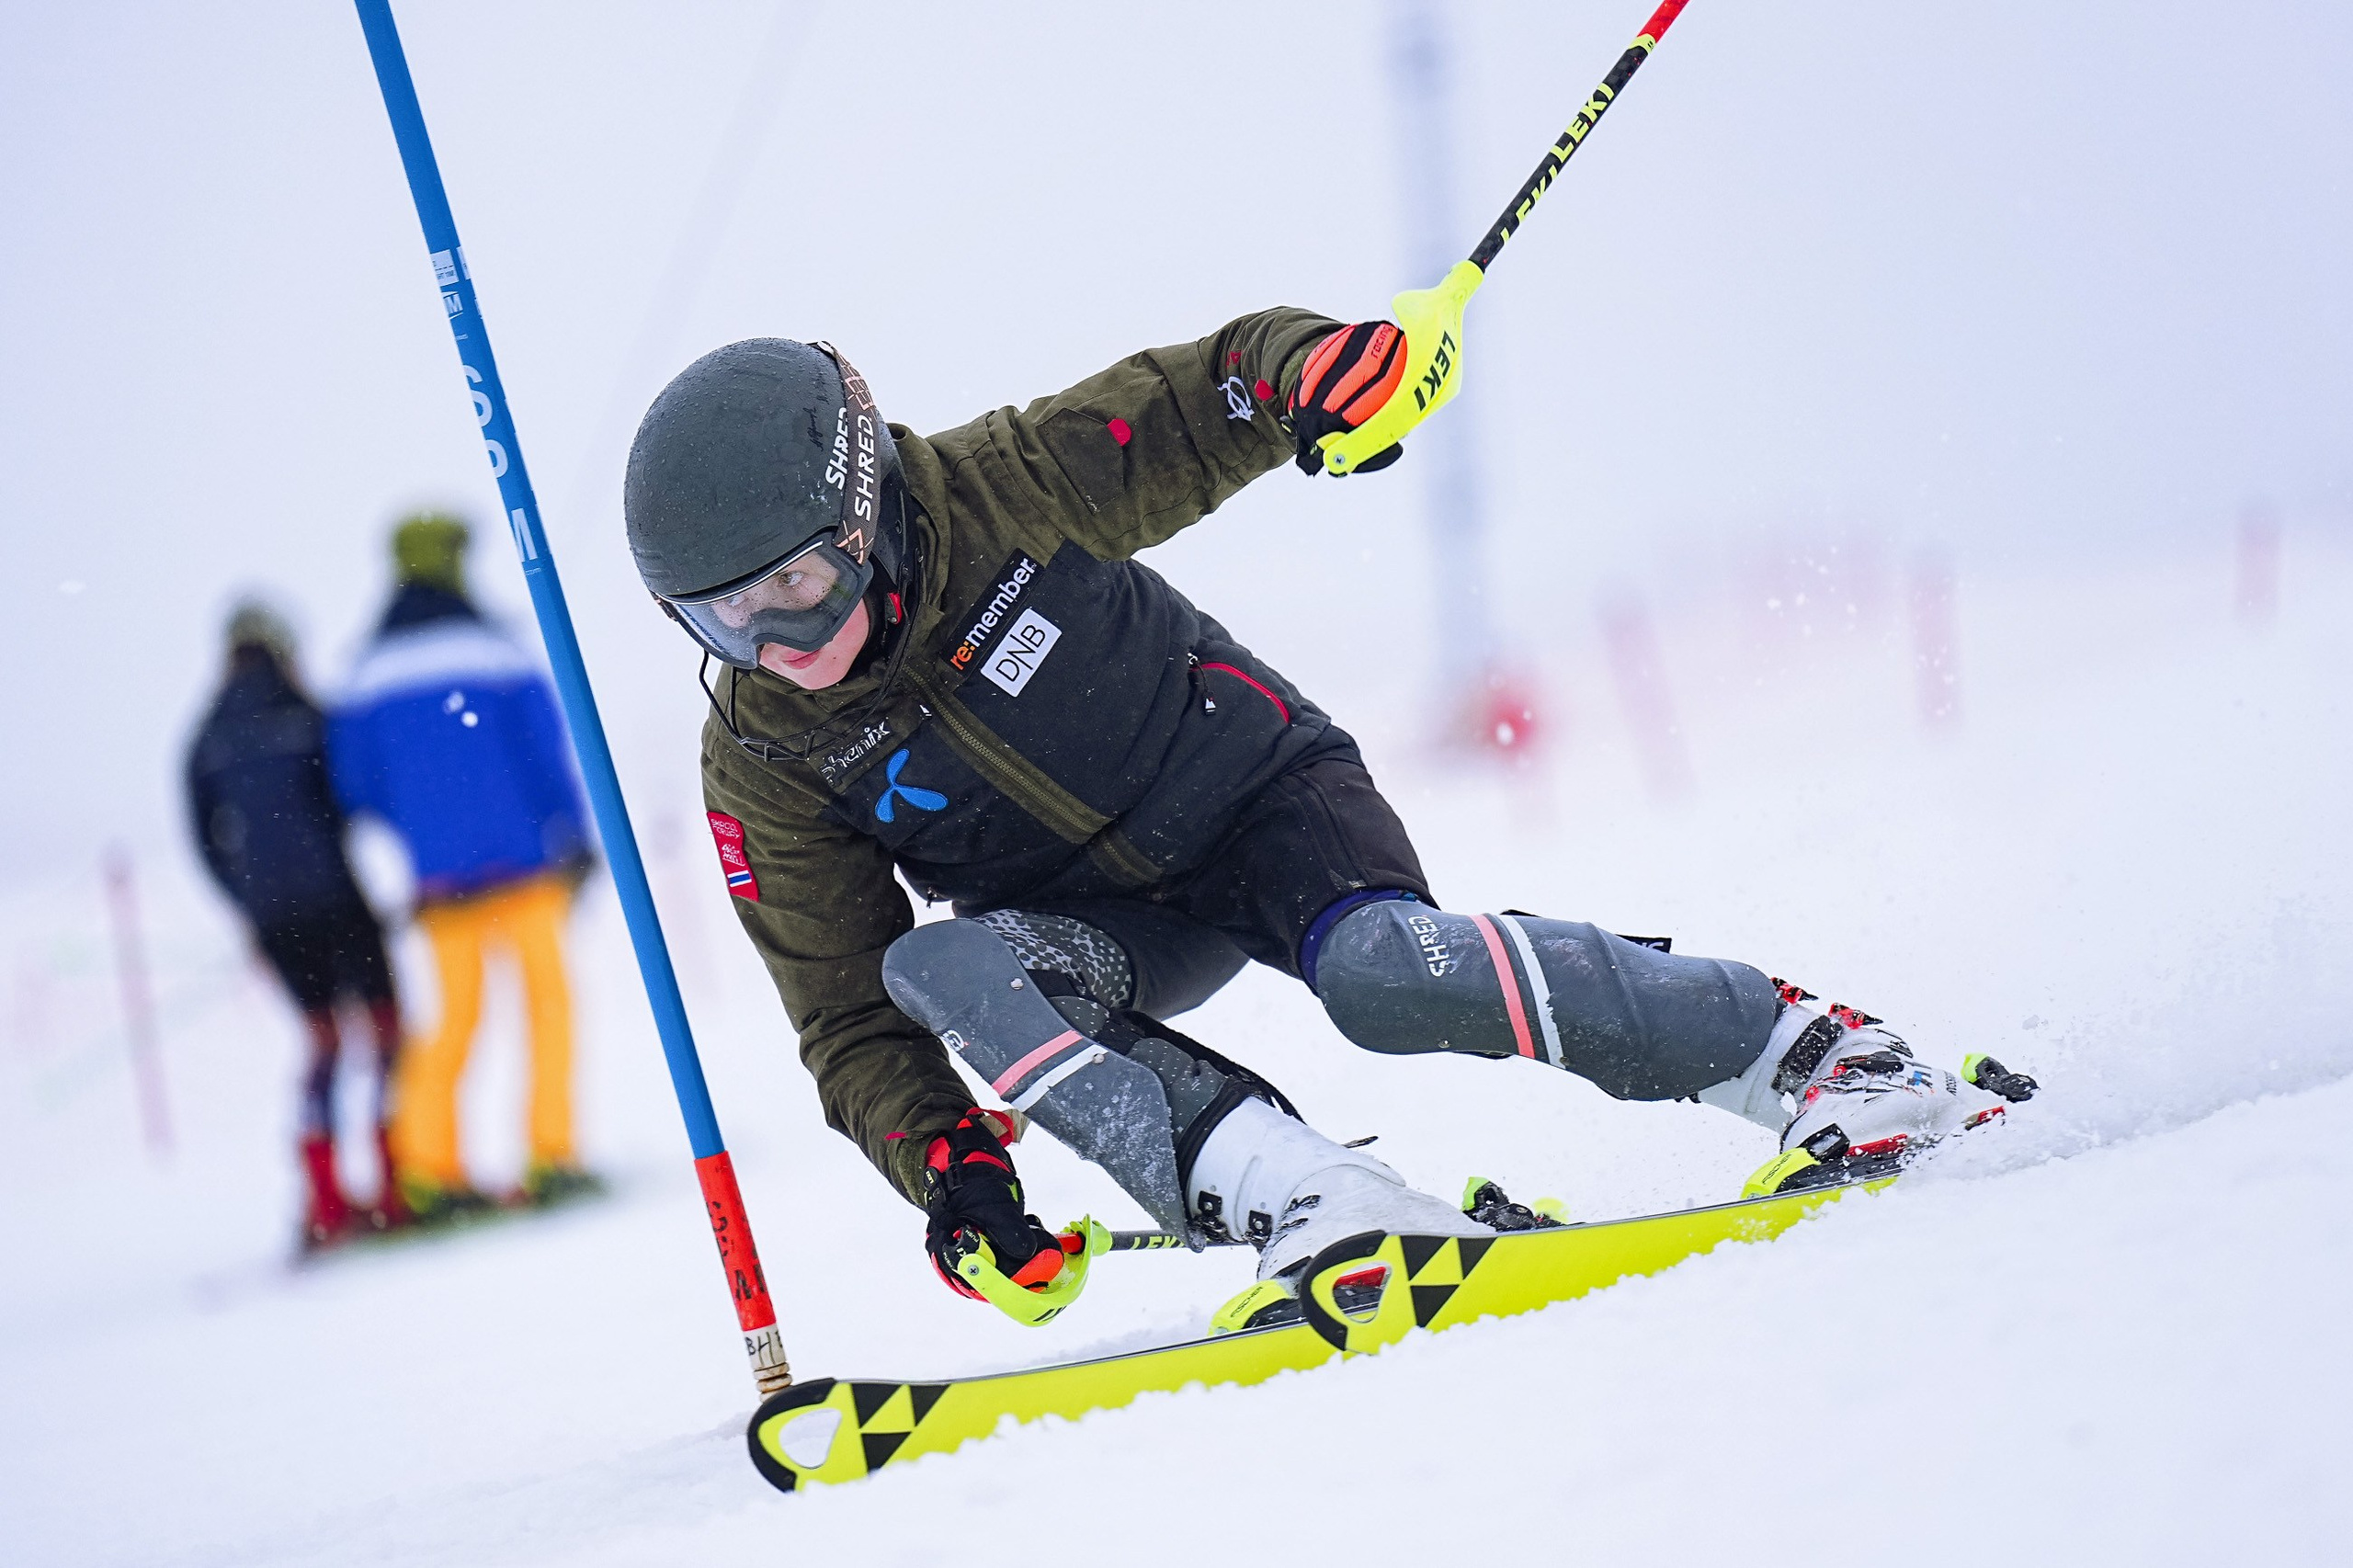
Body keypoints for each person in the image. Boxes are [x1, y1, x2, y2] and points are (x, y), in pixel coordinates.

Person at [621, 317, 2039, 1327]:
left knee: (1381, 976)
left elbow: (1204, 394)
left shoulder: (997, 488)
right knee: (933, 971)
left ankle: (1819, 1053)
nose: (779, 641)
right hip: (1107, 929)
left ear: (865, 511)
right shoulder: (768, 757)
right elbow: (846, 1023)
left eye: (800, 582)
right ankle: (1310, 1199)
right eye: (721, 618)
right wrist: (954, 1170)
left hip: (1259, 794)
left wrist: (1318, 378)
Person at [330, 513, 598, 1219]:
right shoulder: (496, 650)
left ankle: (430, 1171)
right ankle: (551, 1156)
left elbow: (355, 784)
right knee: (548, 1006)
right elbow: (547, 750)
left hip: (440, 880)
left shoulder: (365, 670)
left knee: (452, 1019)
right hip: (526, 866)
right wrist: (570, 831)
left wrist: (425, 828)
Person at [187, 600, 410, 1250]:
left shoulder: (205, 736)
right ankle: (398, 1184)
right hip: (339, 900)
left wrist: (248, 901)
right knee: (386, 1033)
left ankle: (325, 1203)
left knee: (324, 1044)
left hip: (274, 915)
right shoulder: (307, 713)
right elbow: (353, 794)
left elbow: (204, 840)